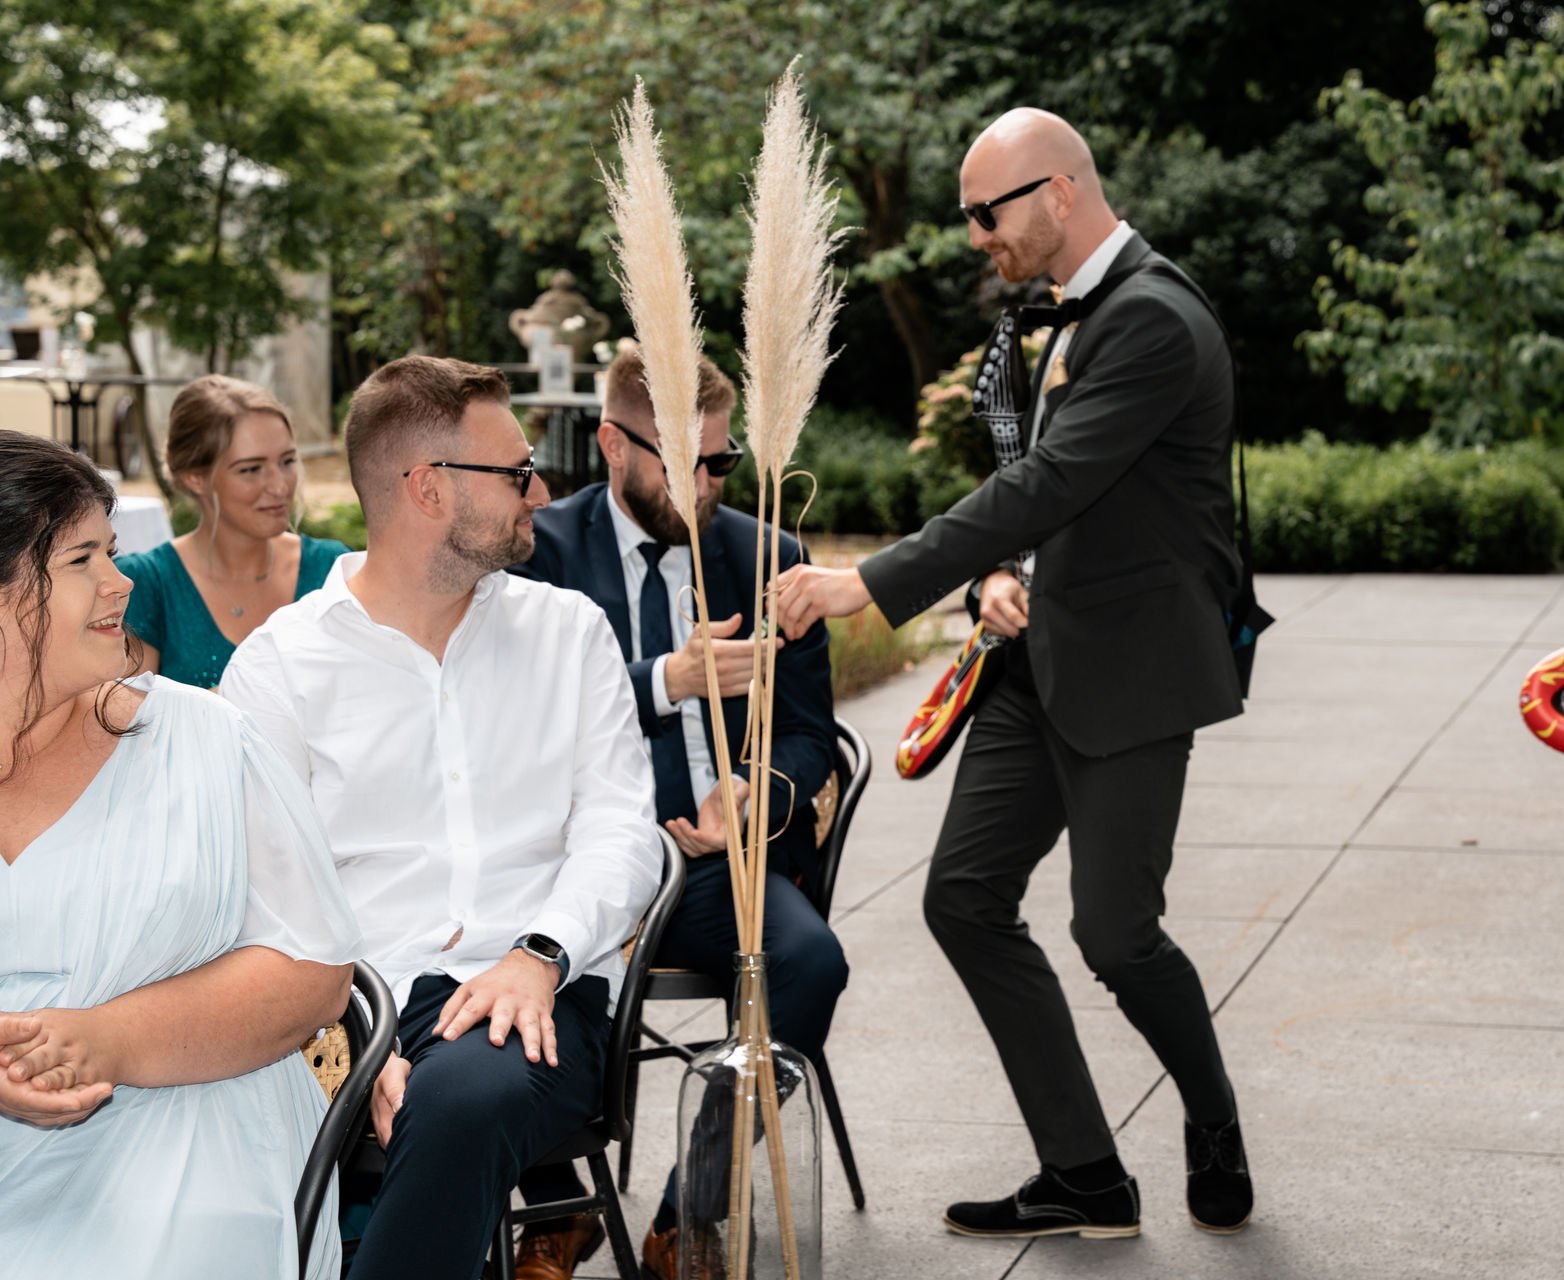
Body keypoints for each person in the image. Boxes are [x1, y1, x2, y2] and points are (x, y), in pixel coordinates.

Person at [777, 107, 1253, 1239]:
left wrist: (870, 582)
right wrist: (999, 572)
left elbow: (1051, 481)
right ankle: (1085, 1171)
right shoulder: (1069, 309)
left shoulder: (1152, 318)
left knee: (1116, 935)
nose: (976, 236)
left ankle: (1214, 1113)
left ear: (1059, 192)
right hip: (1033, 660)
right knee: (964, 898)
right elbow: (1046, 494)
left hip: (1132, 674)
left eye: (985, 213)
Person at [221, 356, 664, 1280]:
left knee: (461, 1098)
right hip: (349, 996)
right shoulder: (280, 666)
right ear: (428, 488)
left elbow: (622, 834)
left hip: (541, 992)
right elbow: (260, 894)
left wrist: (540, 954)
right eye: (517, 472)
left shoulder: (570, 633)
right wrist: (342, 1043)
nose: (541, 492)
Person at [511, 349, 845, 1280]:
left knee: (810, 962)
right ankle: (557, 1210)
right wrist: (668, 678)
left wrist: (756, 793)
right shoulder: (541, 550)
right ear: (613, 445)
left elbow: (811, 734)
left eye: (719, 462)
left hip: (713, 867)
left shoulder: (768, 555)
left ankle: (689, 1212)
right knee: (503, 967)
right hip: (569, 860)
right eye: (681, 462)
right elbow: (519, 716)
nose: (703, 485)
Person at [0, 430, 362, 1279]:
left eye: (111, 550)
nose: (120, 581)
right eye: (82, 559)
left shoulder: (206, 742)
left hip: (189, 1127)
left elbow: (313, 971)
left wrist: (110, 1040)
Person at [117, 374, 350, 688]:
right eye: (251, 469)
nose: (280, 485)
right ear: (195, 478)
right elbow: (130, 712)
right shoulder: (147, 584)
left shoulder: (331, 569)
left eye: (287, 461)